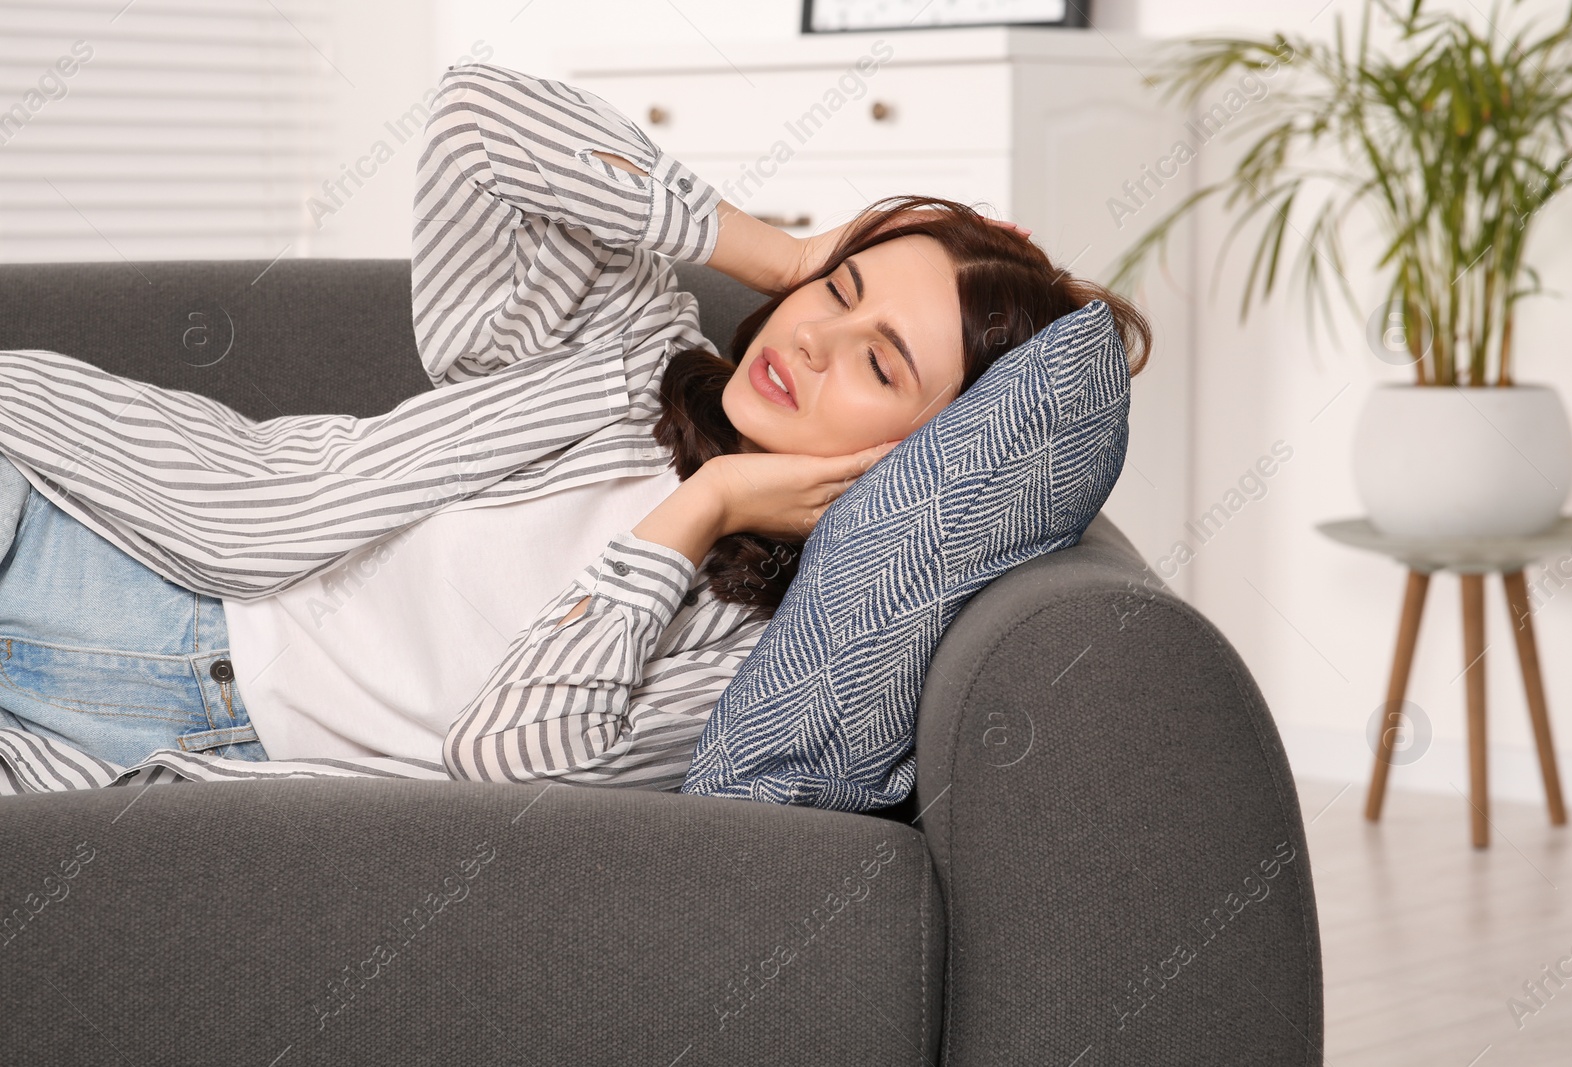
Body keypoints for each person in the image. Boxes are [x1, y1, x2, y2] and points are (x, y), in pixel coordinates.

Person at [0, 62, 1149, 796]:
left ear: (924, 453)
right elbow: (478, 117)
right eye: (836, 299)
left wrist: (696, 512)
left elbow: (502, 755)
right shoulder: (623, 354)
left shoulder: (743, 648)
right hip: (94, 530)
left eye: (879, 363)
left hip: (156, 743)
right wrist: (784, 250)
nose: (809, 342)